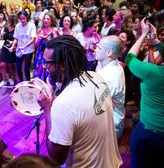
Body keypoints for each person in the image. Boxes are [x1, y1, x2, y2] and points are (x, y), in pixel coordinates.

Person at [36, 35, 122, 167]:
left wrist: (48, 108)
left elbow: (56, 158)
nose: (45, 68)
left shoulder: (64, 104)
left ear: (62, 65)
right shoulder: (96, 77)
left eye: (47, 63)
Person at [127, 18, 164, 167]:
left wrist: (143, 34)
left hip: (148, 131)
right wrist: (155, 40)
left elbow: (129, 58)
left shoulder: (151, 71)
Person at [95, 36, 126, 139]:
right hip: (104, 122)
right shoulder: (105, 63)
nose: (95, 49)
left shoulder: (110, 78)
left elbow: (98, 108)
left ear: (109, 53)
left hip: (109, 127)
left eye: (99, 48)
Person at [12, 11, 36, 82]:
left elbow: (33, 39)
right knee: (18, 67)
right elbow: (16, 38)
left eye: (24, 18)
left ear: (27, 17)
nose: (22, 20)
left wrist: (24, 46)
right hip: (19, 50)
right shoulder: (18, 26)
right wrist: (13, 45)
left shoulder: (31, 25)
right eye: (20, 19)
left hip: (28, 50)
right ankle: (22, 81)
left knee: (26, 68)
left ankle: (28, 82)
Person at [33, 12, 58, 80]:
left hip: (49, 56)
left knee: (48, 75)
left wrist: (47, 40)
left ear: (51, 21)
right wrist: (39, 38)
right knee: (39, 75)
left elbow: (55, 45)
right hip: (40, 55)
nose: (45, 20)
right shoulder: (40, 30)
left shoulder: (54, 30)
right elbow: (36, 44)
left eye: (48, 19)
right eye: (44, 18)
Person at [0, 14, 18, 87]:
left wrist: (12, 43)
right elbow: (1, 38)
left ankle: (10, 78)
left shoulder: (16, 28)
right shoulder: (5, 27)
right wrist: (2, 35)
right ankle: (4, 80)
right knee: (2, 64)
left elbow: (17, 39)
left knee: (10, 65)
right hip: (5, 47)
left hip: (12, 48)